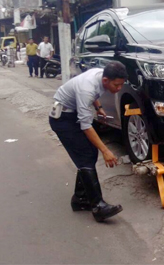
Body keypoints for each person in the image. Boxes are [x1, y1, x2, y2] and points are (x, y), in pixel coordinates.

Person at [49, 61, 127, 222]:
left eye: (121, 84)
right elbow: (86, 126)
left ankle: (80, 199)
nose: (119, 88)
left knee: (90, 152)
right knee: (85, 154)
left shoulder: (100, 75)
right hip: (62, 119)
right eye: (116, 85)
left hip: (71, 114)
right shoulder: (87, 89)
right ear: (106, 80)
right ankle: (98, 206)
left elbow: (94, 96)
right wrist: (106, 151)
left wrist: (98, 107)